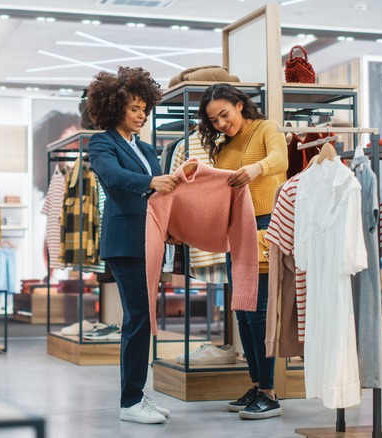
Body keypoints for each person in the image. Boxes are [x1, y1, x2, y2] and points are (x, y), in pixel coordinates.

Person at [86, 66, 179, 424]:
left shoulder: (143, 147)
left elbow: (159, 194)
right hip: (125, 242)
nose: (141, 115)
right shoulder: (102, 142)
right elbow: (113, 176)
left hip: (151, 239)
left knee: (145, 318)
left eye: (144, 108)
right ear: (115, 108)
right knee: (138, 318)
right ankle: (130, 402)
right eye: (134, 108)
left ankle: (139, 395)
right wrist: (152, 181)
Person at [197, 83, 288, 419]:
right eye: (214, 120)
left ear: (239, 105)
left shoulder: (266, 128)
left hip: (264, 227)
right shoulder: (222, 148)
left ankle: (269, 392)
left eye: (225, 114)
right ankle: (256, 383)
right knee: (243, 311)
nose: (221, 123)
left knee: (260, 310)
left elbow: (280, 160)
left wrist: (255, 169)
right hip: (236, 230)